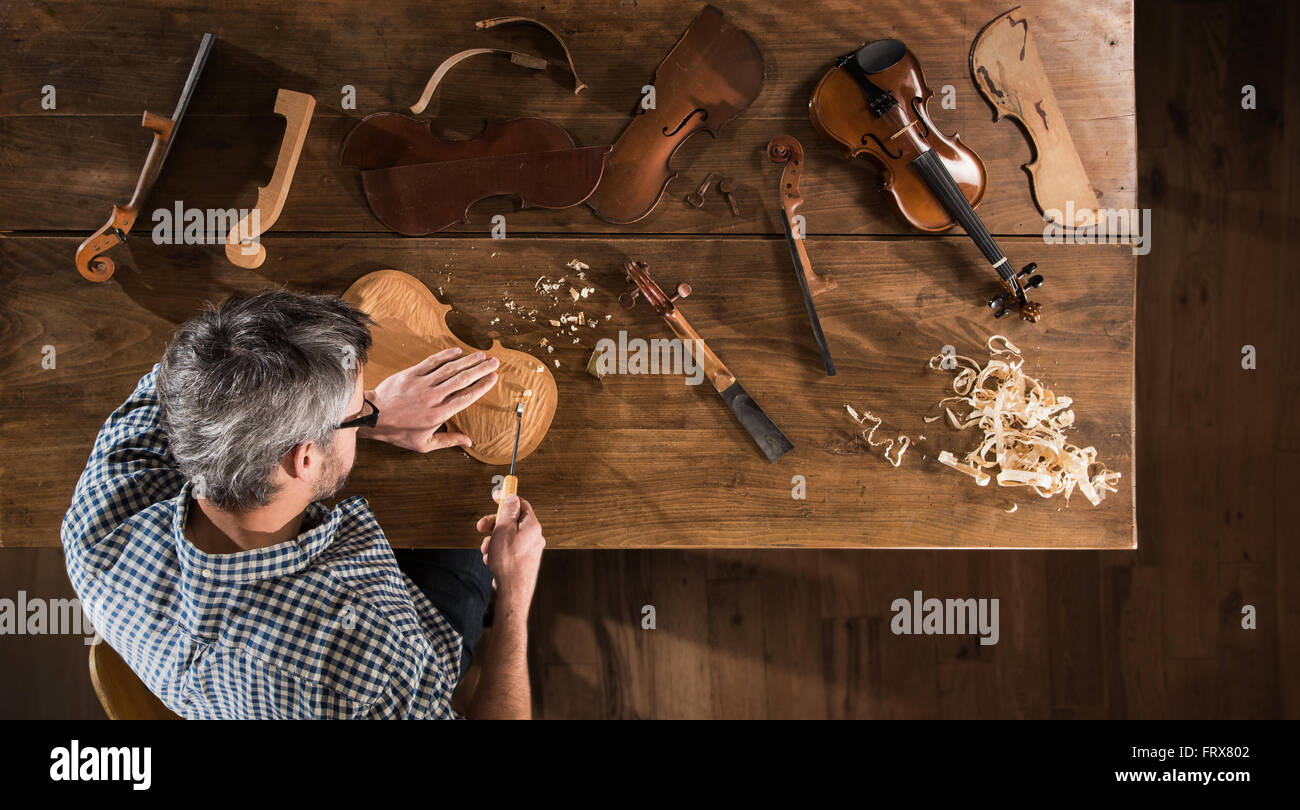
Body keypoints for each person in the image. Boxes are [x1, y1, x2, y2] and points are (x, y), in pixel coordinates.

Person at [61, 289, 544, 719]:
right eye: (360, 411)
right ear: (306, 458)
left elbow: (184, 371)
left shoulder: (100, 521)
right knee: (464, 531)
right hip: (407, 644)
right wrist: (515, 595)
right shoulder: (366, 670)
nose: (367, 411)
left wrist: (364, 414)